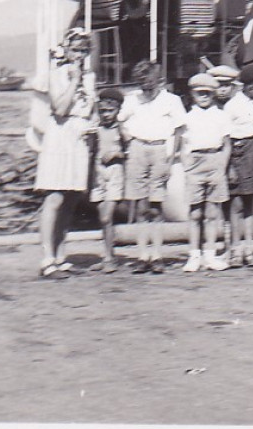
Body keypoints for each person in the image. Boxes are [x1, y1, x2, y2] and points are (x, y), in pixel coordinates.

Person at [33, 27, 97, 278]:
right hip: (60, 134)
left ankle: (60, 256)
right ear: (67, 50)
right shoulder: (57, 73)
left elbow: (91, 107)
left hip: (80, 136)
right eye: (75, 50)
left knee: (71, 198)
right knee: (55, 197)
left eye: (84, 50)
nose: (79, 55)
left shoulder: (89, 76)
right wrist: (73, 79)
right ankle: (47, 259)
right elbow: (60, 108)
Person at [117, 59, 186, 274]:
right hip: (138, 148)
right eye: (141, 84)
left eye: (149, 84)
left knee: (156, 207)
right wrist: (129, 140)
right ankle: (141, 255)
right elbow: (120, 121)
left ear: (158, 81)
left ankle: (156, 255)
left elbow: (179, 130)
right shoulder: (131, 100)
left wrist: (171, 158)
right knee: (139, 206)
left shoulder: (172, 101)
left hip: (160, 150)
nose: (146, 89)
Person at [179, 72, 233, 272]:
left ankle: (210, 255)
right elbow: (183, 145)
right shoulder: (188, 117)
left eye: (208, 93)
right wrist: (187, 166)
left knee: (212, 212)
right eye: (200, 93)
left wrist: (222, 166)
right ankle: (194, 255)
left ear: (214, 94)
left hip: (215, 161)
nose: (204, 96)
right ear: (192, 94)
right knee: (195, 213)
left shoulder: (221, 115)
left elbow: (227, 144)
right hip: (195, 163)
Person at [218, 66, 253, 268]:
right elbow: (227, 139)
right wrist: (229, 166)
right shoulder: (232, 106)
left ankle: (249, 249)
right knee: (236, 205)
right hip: (238, 152)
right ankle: (235, 250)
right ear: (250, 86)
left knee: (250, 203)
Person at [84, 86, 130, 273]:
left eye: (110, 111)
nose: (106, 115)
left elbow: (129, 151)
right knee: (103, 220)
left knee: (106, 216)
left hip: (115, 174)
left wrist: (116, 153)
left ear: (118, 110)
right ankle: (108, 256)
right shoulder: (96, 130)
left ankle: (110, 257)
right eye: (102, 111)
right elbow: (90, 152)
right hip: (98, 176)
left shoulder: (121, 130)